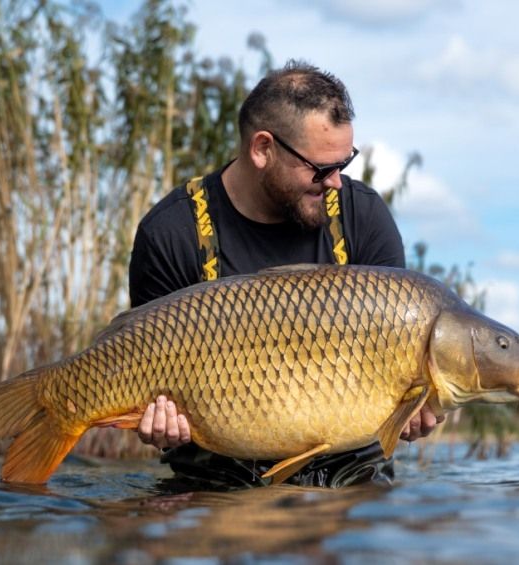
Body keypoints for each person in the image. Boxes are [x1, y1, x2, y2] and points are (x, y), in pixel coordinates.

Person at [128, 60, 442, 488]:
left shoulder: (363, 217)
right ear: (262, 149)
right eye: (320, 170)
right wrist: (159, 427)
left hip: (349, 475)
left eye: (343, 164)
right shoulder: (171, 233)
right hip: (221, 479)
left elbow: (400, 371)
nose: (335, 184)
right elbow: (148, 390)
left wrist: (415, 409)